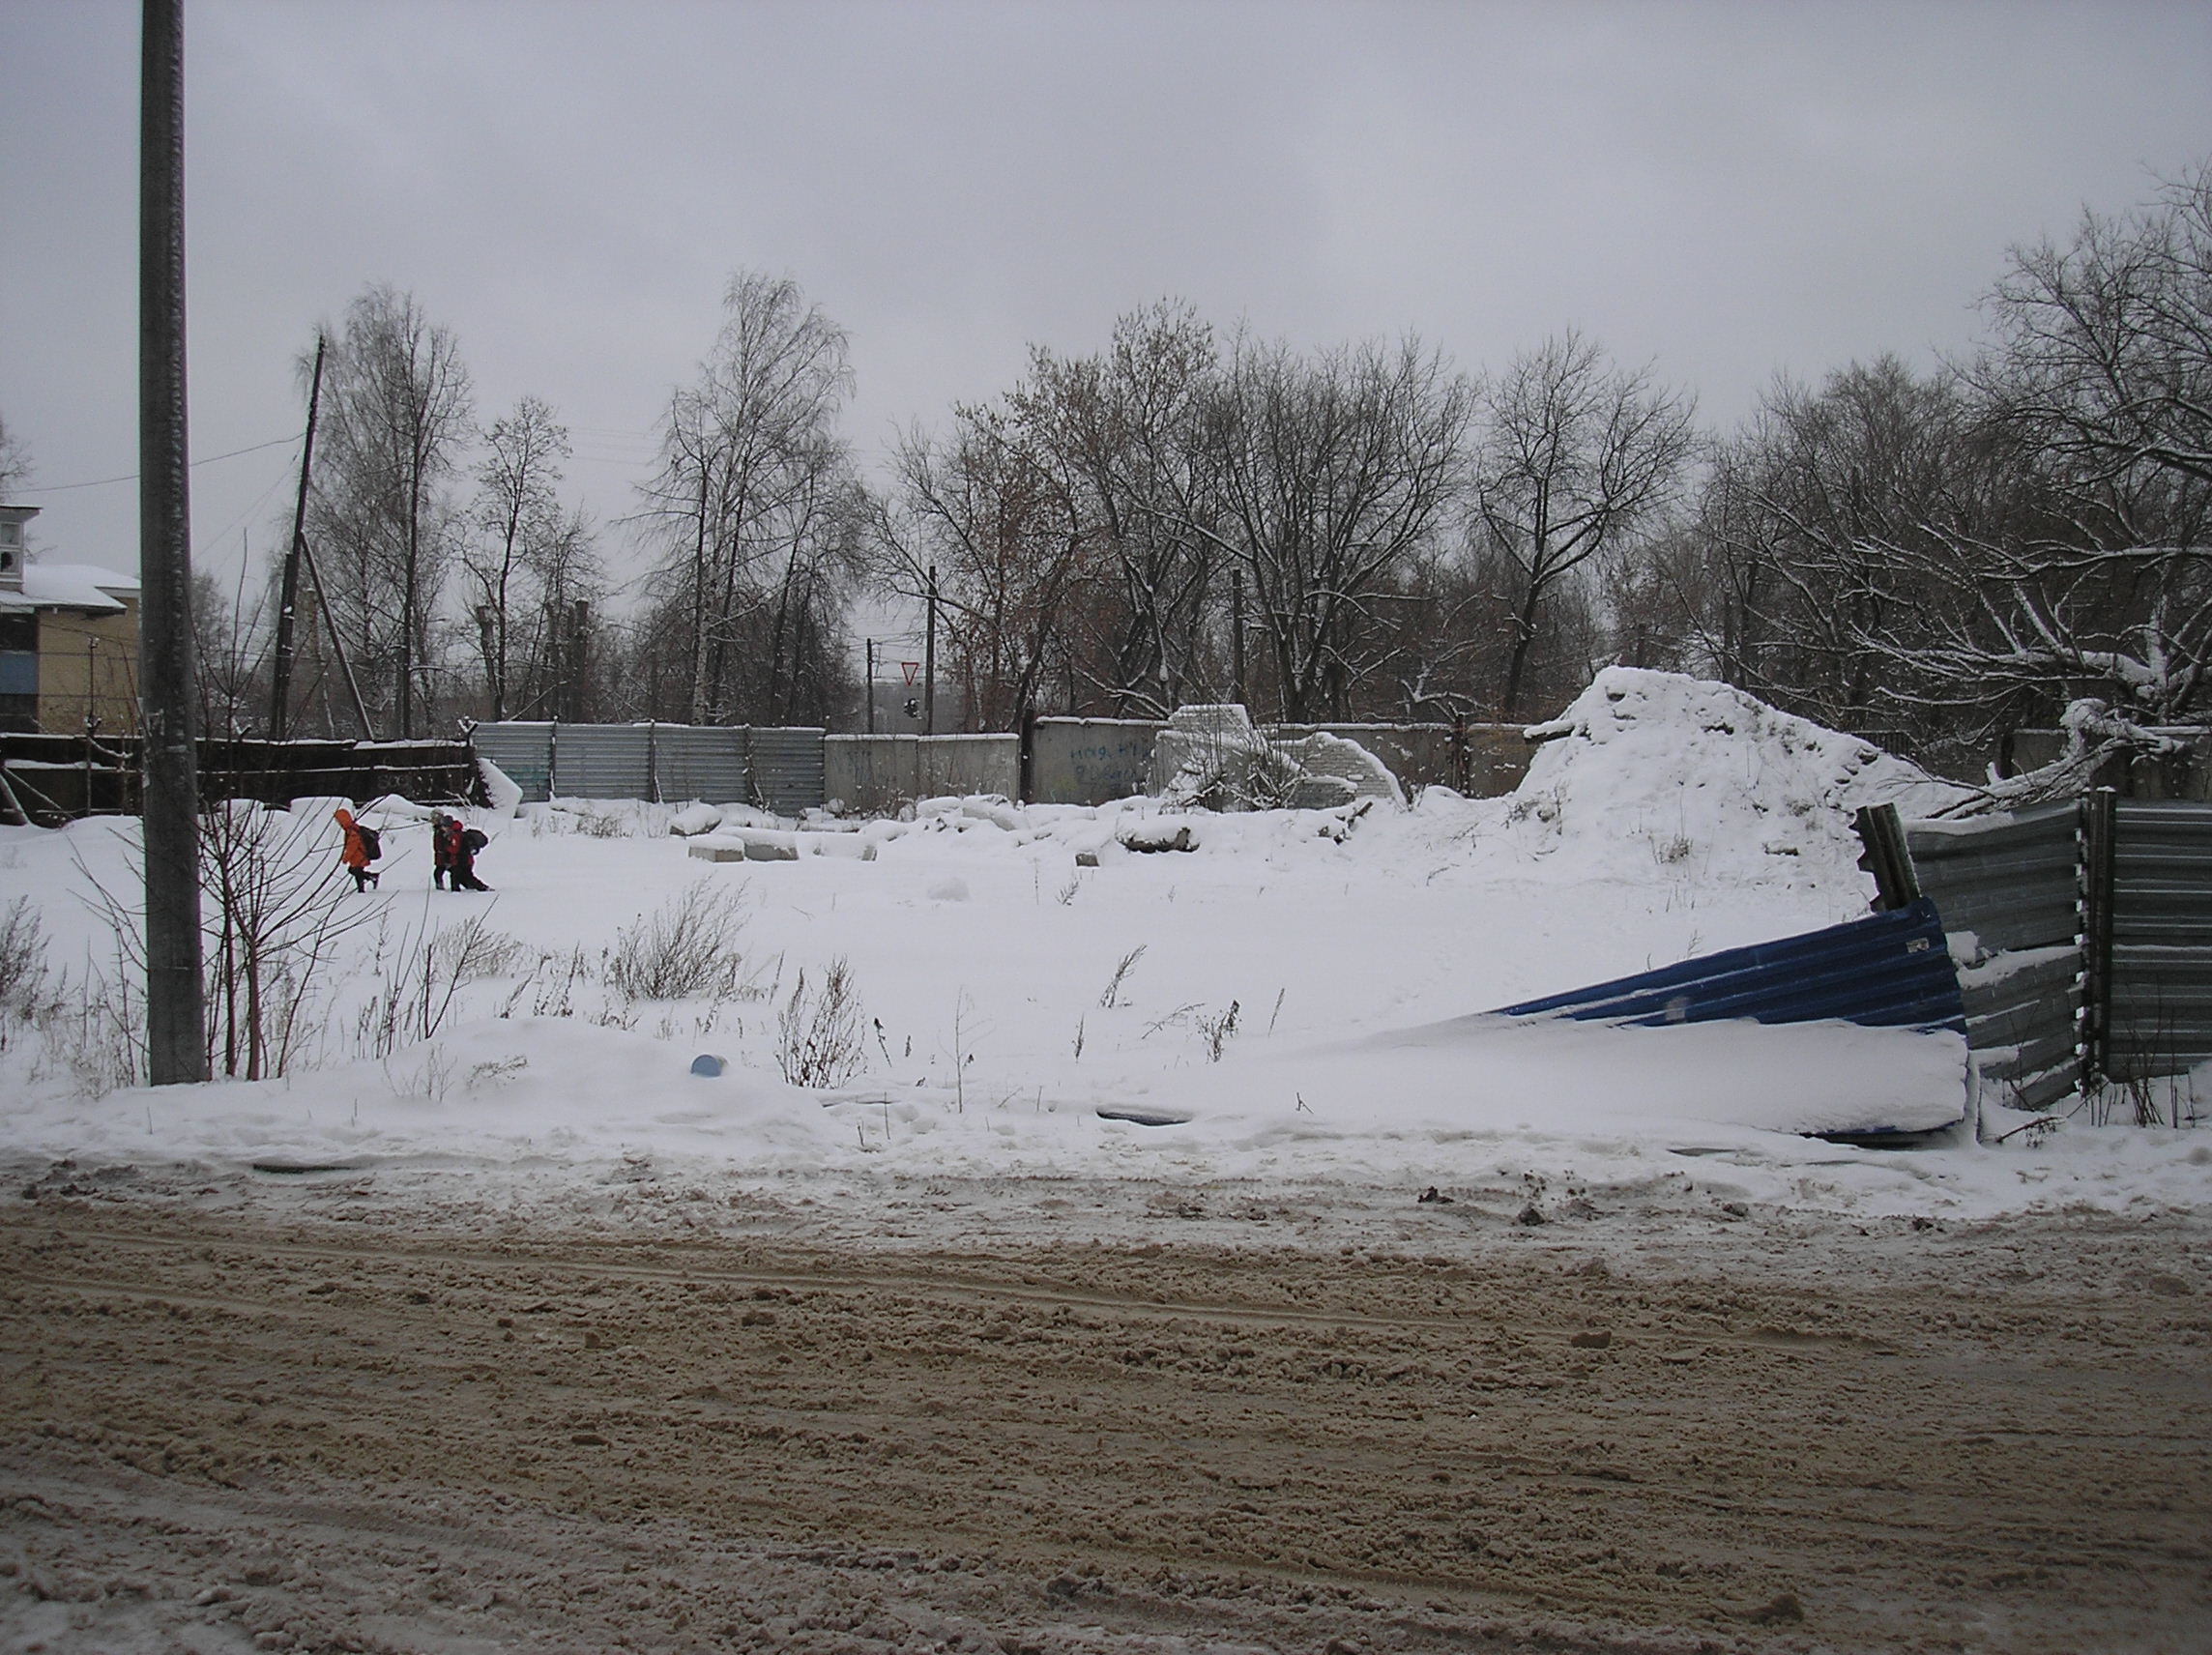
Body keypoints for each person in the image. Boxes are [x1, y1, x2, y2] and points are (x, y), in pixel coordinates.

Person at [334, 806, 378, 892]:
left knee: (357, 872)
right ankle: (371, 877)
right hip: (359, 855)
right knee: (355, 871)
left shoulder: (351, 832)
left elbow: (352, 847)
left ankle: (361, 890)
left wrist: (345, 858)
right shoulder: (353, 828)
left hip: (358, 855)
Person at [449, 819, 492, 891]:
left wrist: (447, 848)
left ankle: (456, 891)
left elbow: (455, 849)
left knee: (457, 876)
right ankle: (479, 887)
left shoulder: (455, 836)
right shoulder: (461, 834)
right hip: (466, 860)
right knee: (466, 876)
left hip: (460, 860)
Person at [429, 812, 453, 889]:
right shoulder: (437, 830)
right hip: (440, 855)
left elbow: (446, 843)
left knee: (439, 872)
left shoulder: (444, 830)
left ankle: (440, 887)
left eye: (434, 819)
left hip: (445, 855)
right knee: (439, 872)